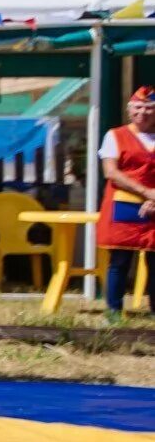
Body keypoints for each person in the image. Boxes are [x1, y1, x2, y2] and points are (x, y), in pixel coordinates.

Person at [97, 84, 155, 322]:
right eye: (138, 107)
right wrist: (147, 193)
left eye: (149, 108)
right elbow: (111, 172)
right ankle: (113, 311)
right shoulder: (115, 135)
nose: (143, 113)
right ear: (129, 110)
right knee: (119, 261)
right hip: (124, 203)